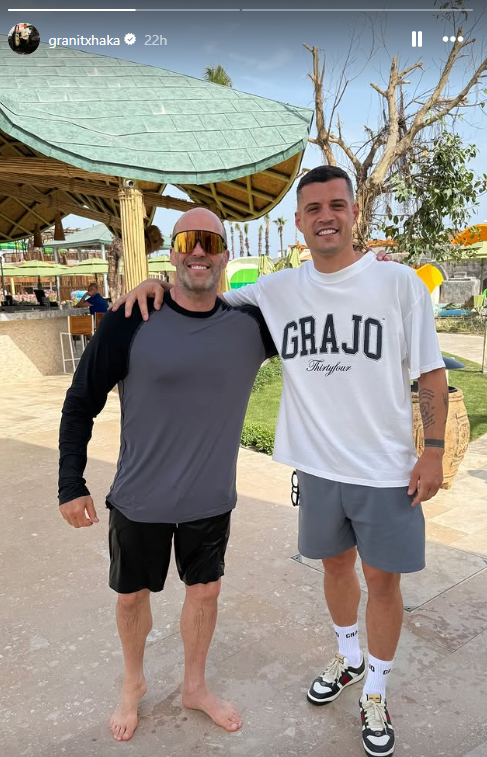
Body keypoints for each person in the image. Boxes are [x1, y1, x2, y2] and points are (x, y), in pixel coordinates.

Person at [115, 166, 447, 757]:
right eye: (313, 208)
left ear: (354, 213)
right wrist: (154, 284)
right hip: (318, 468)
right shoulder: (277, 290)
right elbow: (202, 292)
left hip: (385, 469)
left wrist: (434, 450)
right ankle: (348, 658)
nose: (326, 216)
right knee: (336, 569)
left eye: (337, 205)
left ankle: (376, 692)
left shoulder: (398, 285)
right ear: (298, 221)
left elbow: (431, 372)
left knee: (383, 582)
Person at [58, 208, 276, 742]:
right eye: (188, 241)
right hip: (140, 497)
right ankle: (132, 682)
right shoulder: (130, 319)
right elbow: (81, 400)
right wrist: (71, 482)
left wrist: (369, 271)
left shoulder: (252, 326)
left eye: (210, 242)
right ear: (172, 252)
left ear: (224, 256)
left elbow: (321, 313)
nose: (199, 251)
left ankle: (194, 687)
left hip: (210, 498)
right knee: (132, 597)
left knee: (205, 593)